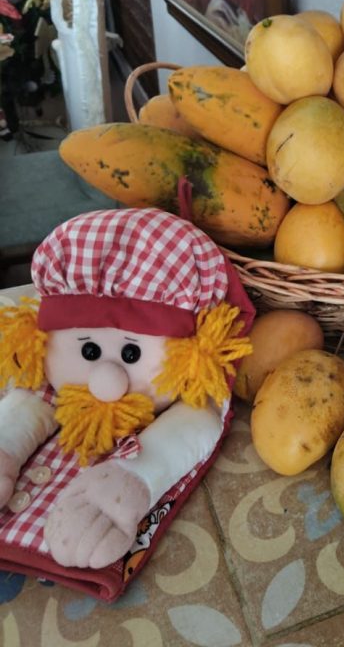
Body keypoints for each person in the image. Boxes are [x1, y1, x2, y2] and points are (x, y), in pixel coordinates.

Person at [0, 205, 255, 600]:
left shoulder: (190, 402)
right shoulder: (45, 381)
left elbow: (195, 423)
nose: (106, 379)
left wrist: (130, 482)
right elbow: (31, 396)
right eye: (88, 351)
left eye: (131, 354)